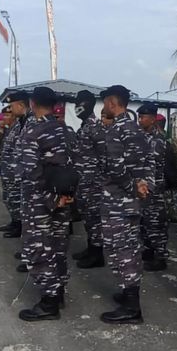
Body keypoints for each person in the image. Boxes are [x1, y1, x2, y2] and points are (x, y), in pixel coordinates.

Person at [17, 87, 77, 321]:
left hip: (40, 203)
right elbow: (77, 166)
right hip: (64, 199)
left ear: (33, 103)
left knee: (39, 250)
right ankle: (58, 293)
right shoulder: (66, 130)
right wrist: (66, 196)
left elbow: (31, 173)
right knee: (58, 248)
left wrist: (51, 200)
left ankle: (49, 304)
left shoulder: (34, 132)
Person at [99, 85, 152, 324]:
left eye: (105, 104)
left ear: (112, 102)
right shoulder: (137, 129)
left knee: (120, 251)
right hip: (133, 201)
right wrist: (142, 186)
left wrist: (132, 187)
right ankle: (128, 294)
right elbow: (147, 163)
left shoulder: (116, 130)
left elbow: (116, 168)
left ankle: (132, 307)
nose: (104, 108)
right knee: (130, 247)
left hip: (118, 202)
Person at [71, 90, 107, 269]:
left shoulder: (95, 127)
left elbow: (105, 157)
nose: (76, 107)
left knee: (95, 219)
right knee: (87, 218)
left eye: (79, 103)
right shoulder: (85, 126)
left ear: (87, 105)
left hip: (94, 184)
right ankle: (91, 248)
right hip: (84, 183)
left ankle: (97, 254)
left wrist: (98, 181)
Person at [137, 102, 169, 272]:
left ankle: (161, 256)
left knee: (156, 223)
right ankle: (149, 250)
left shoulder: (158, 140)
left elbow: (151, 163)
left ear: (152, 119)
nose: (139, 121)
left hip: (155, 189)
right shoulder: (143, 137)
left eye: (142, 118)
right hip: (144, 188)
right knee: (145, 222)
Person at [0, 91, 31, 238]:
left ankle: (21, 229)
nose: (10, 110)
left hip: (23, 175)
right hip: (11, 172)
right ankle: (16, 223)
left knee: (23, 206)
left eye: (12, 106)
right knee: (12, 200)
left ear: (20, 105)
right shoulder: (19, 124)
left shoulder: (31, 123)